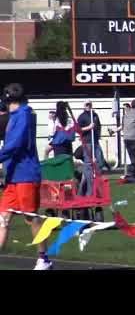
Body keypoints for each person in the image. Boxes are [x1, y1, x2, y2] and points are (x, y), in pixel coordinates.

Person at [0, 83, 52, 270]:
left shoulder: (23, 115)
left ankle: (44, 258)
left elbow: (15, 145)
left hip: (25, 175)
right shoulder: (15, 116)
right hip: (12, 175)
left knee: (30, 218)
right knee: (2, 219)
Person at [77, 100, 103, 196]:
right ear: (84, 106)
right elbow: (78, 129)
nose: (88, 106)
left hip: (95, 142)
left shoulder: (95, 115)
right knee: (88, 164)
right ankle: (89, 191)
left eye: (90, 104)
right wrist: (88, 127)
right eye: (86, 105)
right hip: (87, 142)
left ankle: (97, 187)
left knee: (99, 162)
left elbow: (99, 126)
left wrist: (98, 135)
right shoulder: (82, 116)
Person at [112, 99, 135, 179]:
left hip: (126, 138)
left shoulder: (125, 115)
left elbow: (123, 126)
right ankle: (132, 174)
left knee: (132, 156)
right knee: (134, 157)